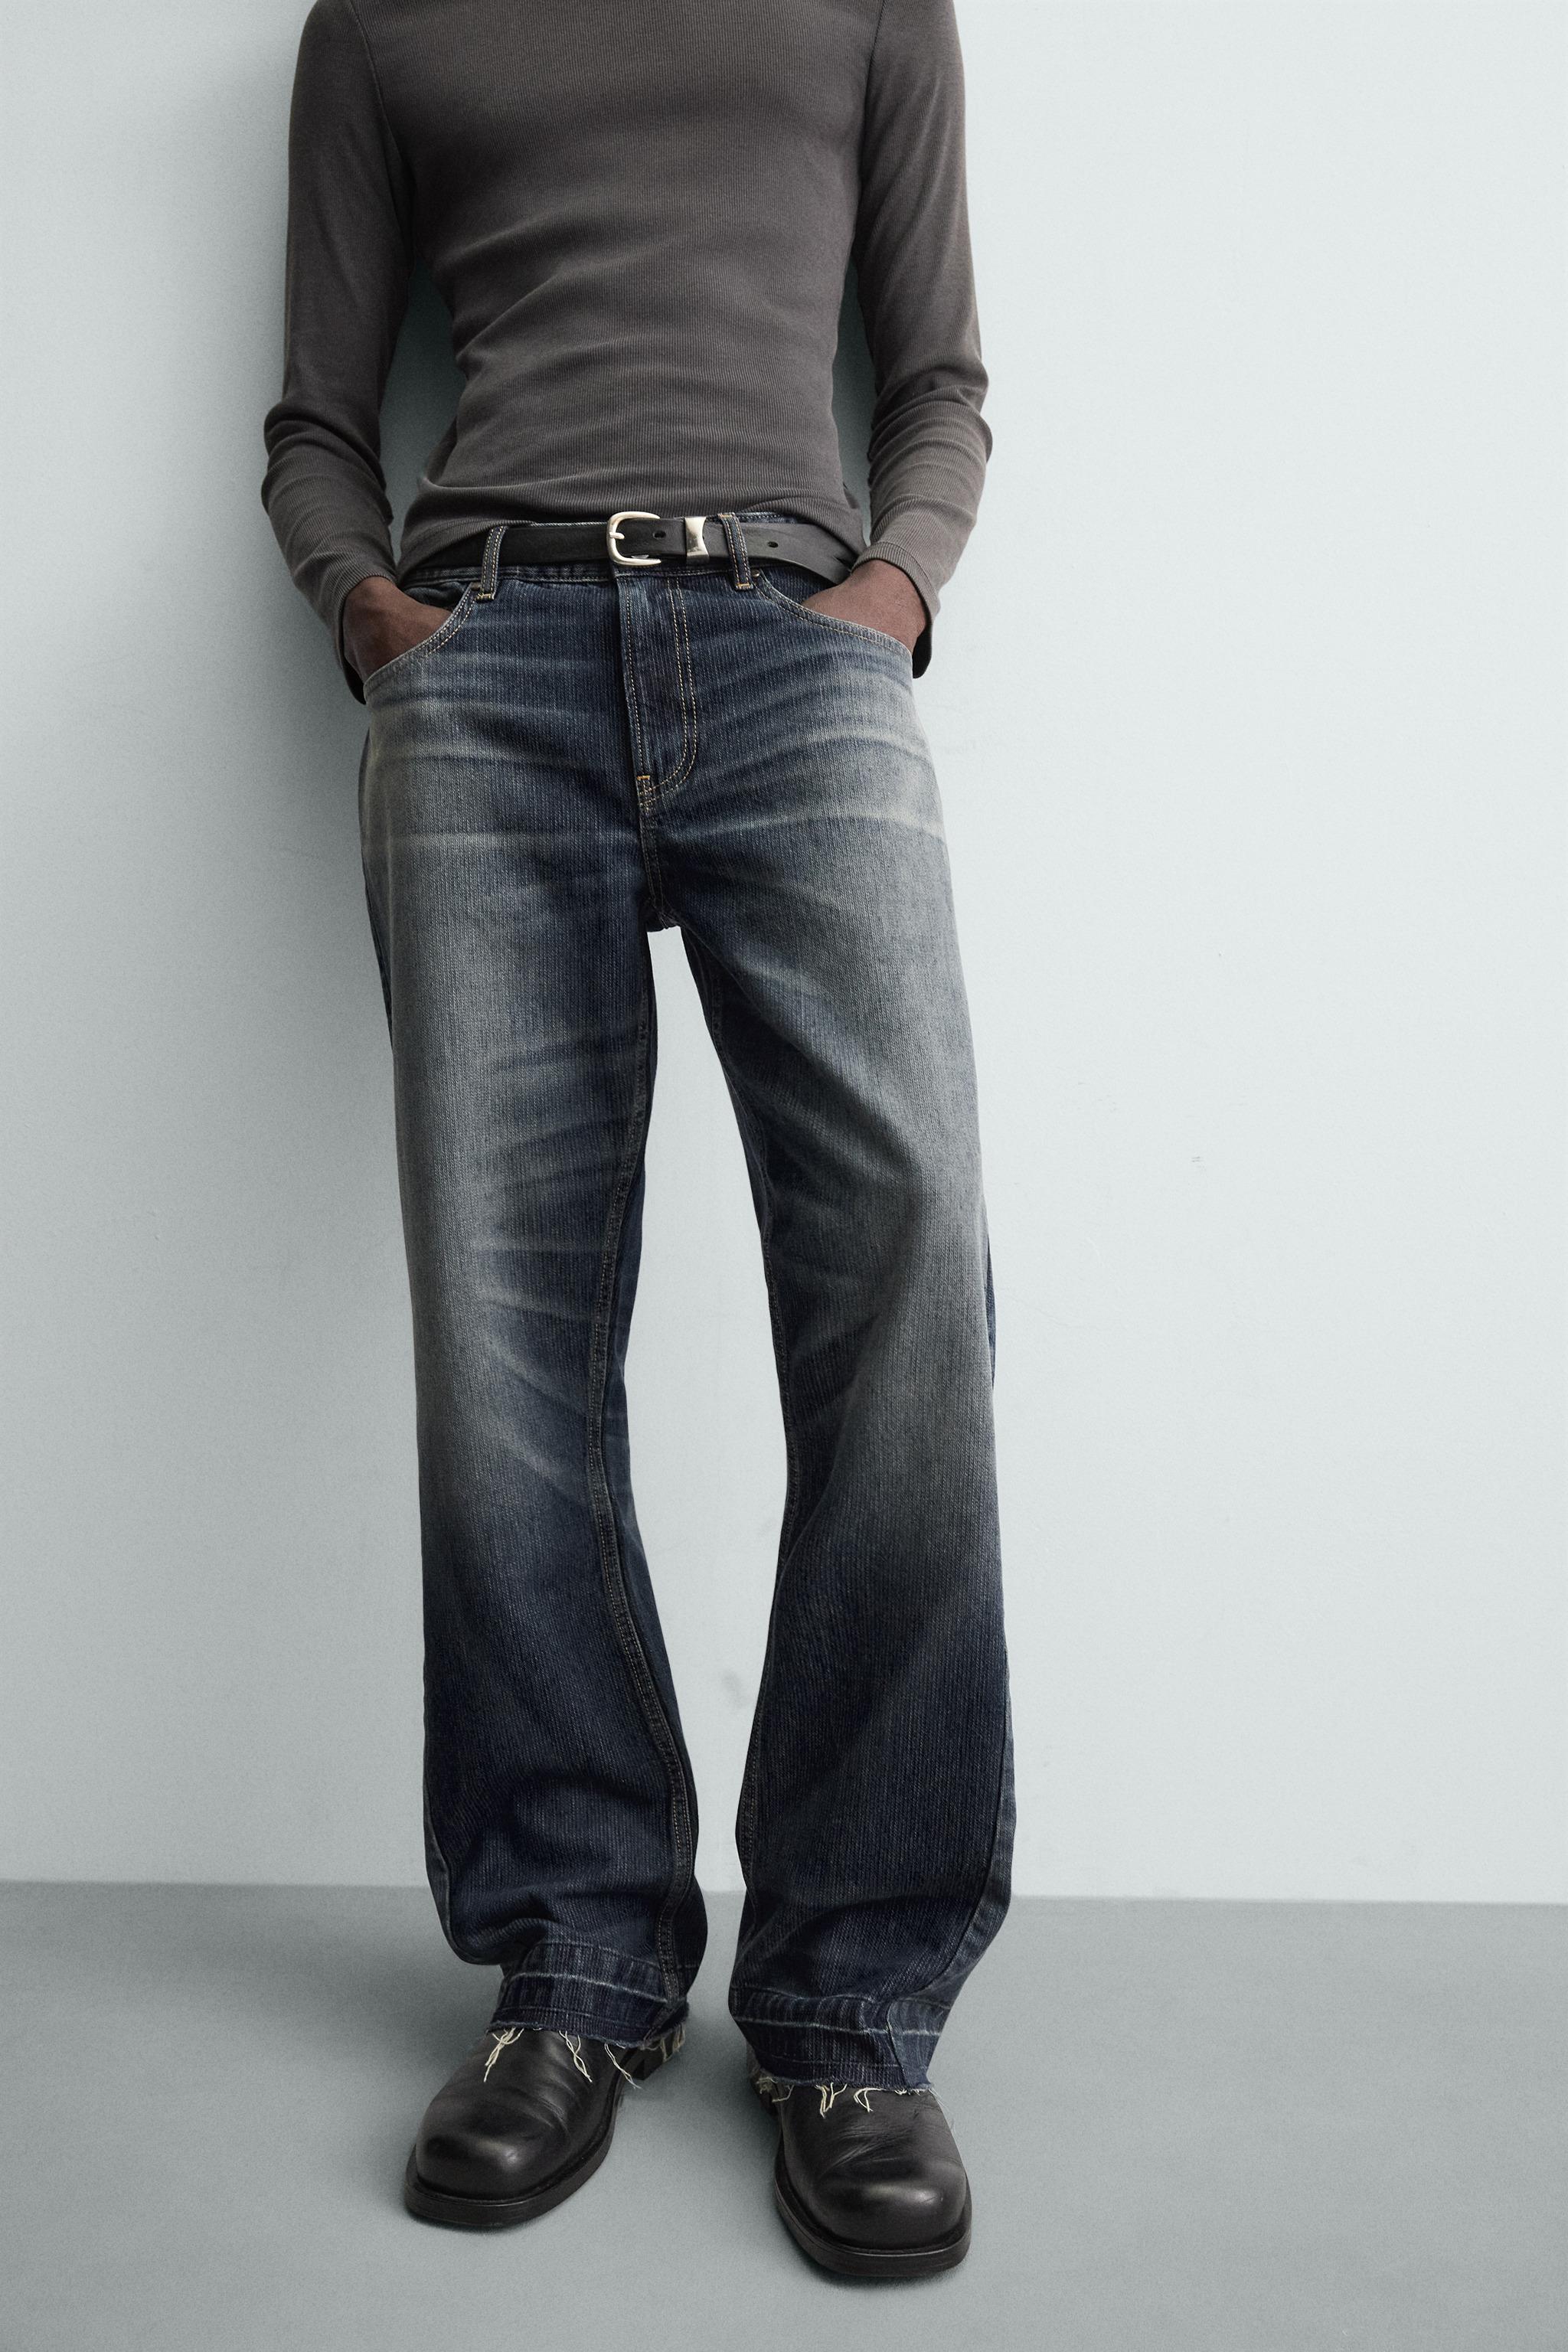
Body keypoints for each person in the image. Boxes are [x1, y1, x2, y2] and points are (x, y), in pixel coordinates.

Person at [261, 0, 1012, 2281]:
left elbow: (939, 378)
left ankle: (853, 2007)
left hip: (798, 650)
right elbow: (316, 421)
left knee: (906, 1280)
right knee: (505, 1338)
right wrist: (376, 619)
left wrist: (890, 595)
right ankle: (575, 1964)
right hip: (485, 667)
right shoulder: (380, 19)